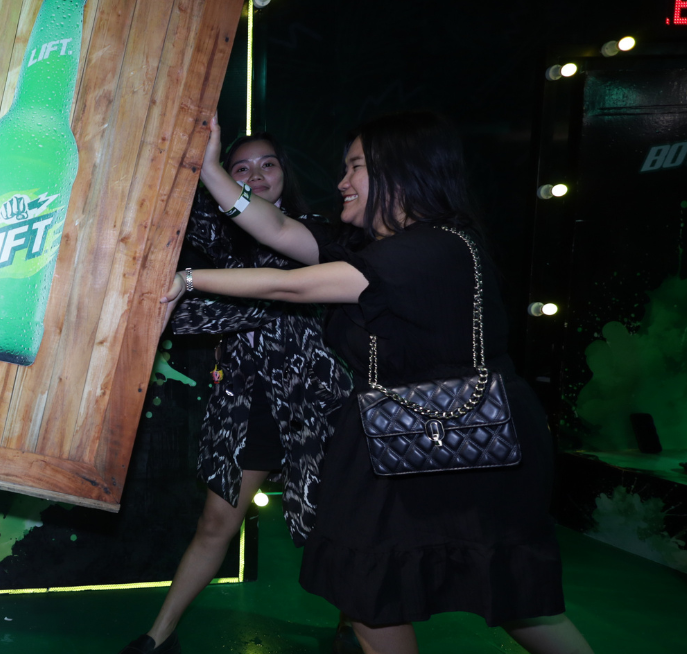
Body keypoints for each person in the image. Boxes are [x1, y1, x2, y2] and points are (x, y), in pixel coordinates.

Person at [177, 110, 593, 654]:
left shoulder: (432, 248)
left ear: (401, 171)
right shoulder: (374, 247)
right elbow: (278, 230)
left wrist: (188, 279)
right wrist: (212, 170)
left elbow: (293, 286)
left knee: (510, 595)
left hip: (465, 446)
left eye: (356, 167)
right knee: (372, 593)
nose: (341, 182)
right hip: (400, 436)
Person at [120, 119, 349, 654]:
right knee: (215, 523)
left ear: (285, 172)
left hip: (318, 401)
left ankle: (355, 627)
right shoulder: (211, 238)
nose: (256, 175)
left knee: (339, 522)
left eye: (267, 164)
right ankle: (159, 636)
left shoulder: (315, 232)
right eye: (240, 168)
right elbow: (178, 291)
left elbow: (270, 292)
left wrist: (201, 293)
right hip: (246, 404)